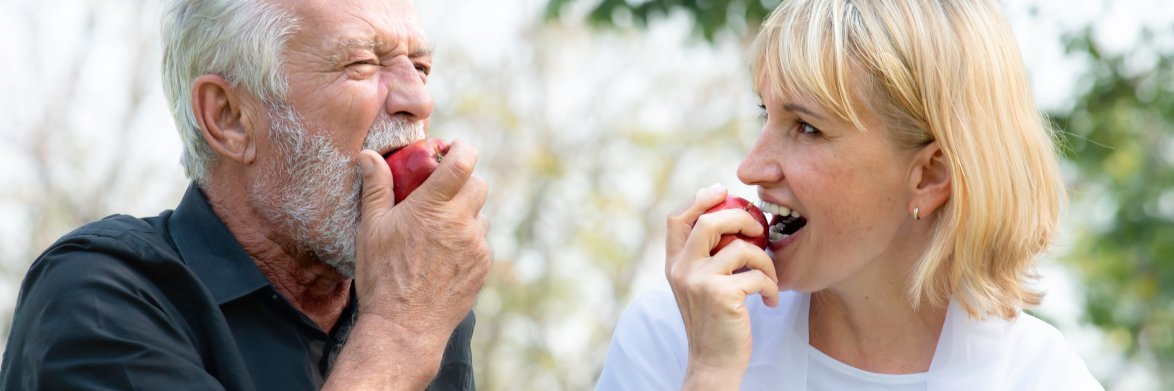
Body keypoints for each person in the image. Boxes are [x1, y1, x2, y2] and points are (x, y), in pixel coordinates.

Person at [597, 0, 1103, 389]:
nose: (750, 167)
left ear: (930, 175)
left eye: (807, 128)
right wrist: (709, 373)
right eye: (765, 115)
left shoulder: (1044, 379)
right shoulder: (673, 339)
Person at [0, 0, 491, 389]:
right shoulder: (98, 299)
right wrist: (400, 335)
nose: (419, 99)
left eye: (420, 66)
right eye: (362, 63)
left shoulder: (414, 293)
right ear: (230, 119)